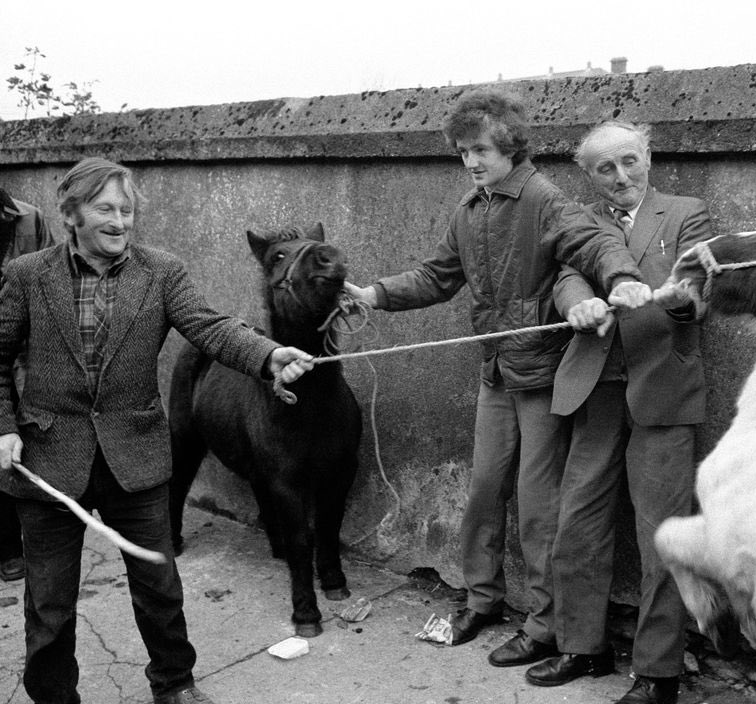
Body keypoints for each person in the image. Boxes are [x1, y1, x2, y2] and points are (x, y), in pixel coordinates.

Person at [345, 90, 652, 665]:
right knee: (484, 492)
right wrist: (373, 294)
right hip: (495, 373)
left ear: (509, 144)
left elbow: (596, 242)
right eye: (463, 152)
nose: (471, 161)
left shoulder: (543, 198)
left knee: (539, 508)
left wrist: (622, 279)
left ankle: (544, 625)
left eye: (481, 150)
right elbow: (437, 276)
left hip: (540, 378)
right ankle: (481, 599)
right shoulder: (469, 209)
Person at [0, 157, 316, 704]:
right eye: (105, 209)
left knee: (160, 591)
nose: (120, 221)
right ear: (71, 213)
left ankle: (175, 685)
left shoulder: (161, 271)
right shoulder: (28, 275)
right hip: (50, 457)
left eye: (126, 210)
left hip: (136, 453)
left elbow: (210, 328)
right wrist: (3, 426)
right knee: (49, 605)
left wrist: (268, 356)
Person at [522, 121, 712, 704]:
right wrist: (579, 306)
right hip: (596, 391)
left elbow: (700, 293)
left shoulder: (687, 213)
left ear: (648, 157)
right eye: (605, 167)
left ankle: (658, 673)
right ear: (588, 175)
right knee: (578, 524)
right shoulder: (580, 221)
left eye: (630, 161)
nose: (621, 176)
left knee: (661, 536)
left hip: (664, 393)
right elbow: (567, 277)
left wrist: (678, 300)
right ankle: (583, 647)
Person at [0, 189, 55, 583]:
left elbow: (54, 283)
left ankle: (15, 545)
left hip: (23, 352)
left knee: (17, 444)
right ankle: (7, 545)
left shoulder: (28, 219)